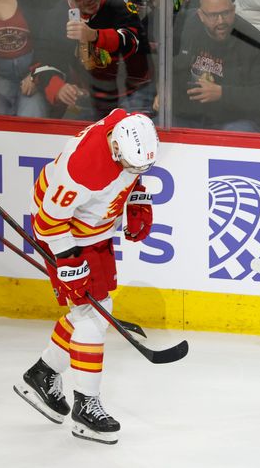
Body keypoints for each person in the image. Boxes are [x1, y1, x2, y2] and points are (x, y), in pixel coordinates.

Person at [14, 109, 158, 445]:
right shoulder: (82, 170)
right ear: (116, 149)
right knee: (92, 317)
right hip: (65, 234)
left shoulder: (127, 126)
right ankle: (86, 407)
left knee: (92, 310)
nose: (135, 171)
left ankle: (42, 374)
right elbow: (47, 223)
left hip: (95, 230)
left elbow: (133, 173)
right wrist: (68, 261)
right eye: (132, 166)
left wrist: (137, 198)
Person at [35, 0, 150, 119]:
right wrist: (58, 88)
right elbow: (44, 57)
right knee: (71, 136)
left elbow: (135, 41)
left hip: (131, 93)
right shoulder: (59, 16)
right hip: (89, 97)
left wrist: (95, 36)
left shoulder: (116, 1)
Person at [169, 0, 260, 132]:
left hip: (234, 120)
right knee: (159, 125)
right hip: (189, 115)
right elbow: (168, 67)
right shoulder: (185, 27)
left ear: (233, 10)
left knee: (240, 131)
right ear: (201, 15)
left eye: (226, 13)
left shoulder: (252, 40)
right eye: (213, 15)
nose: (221, 21)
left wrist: (222, 93)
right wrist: (162, 92)